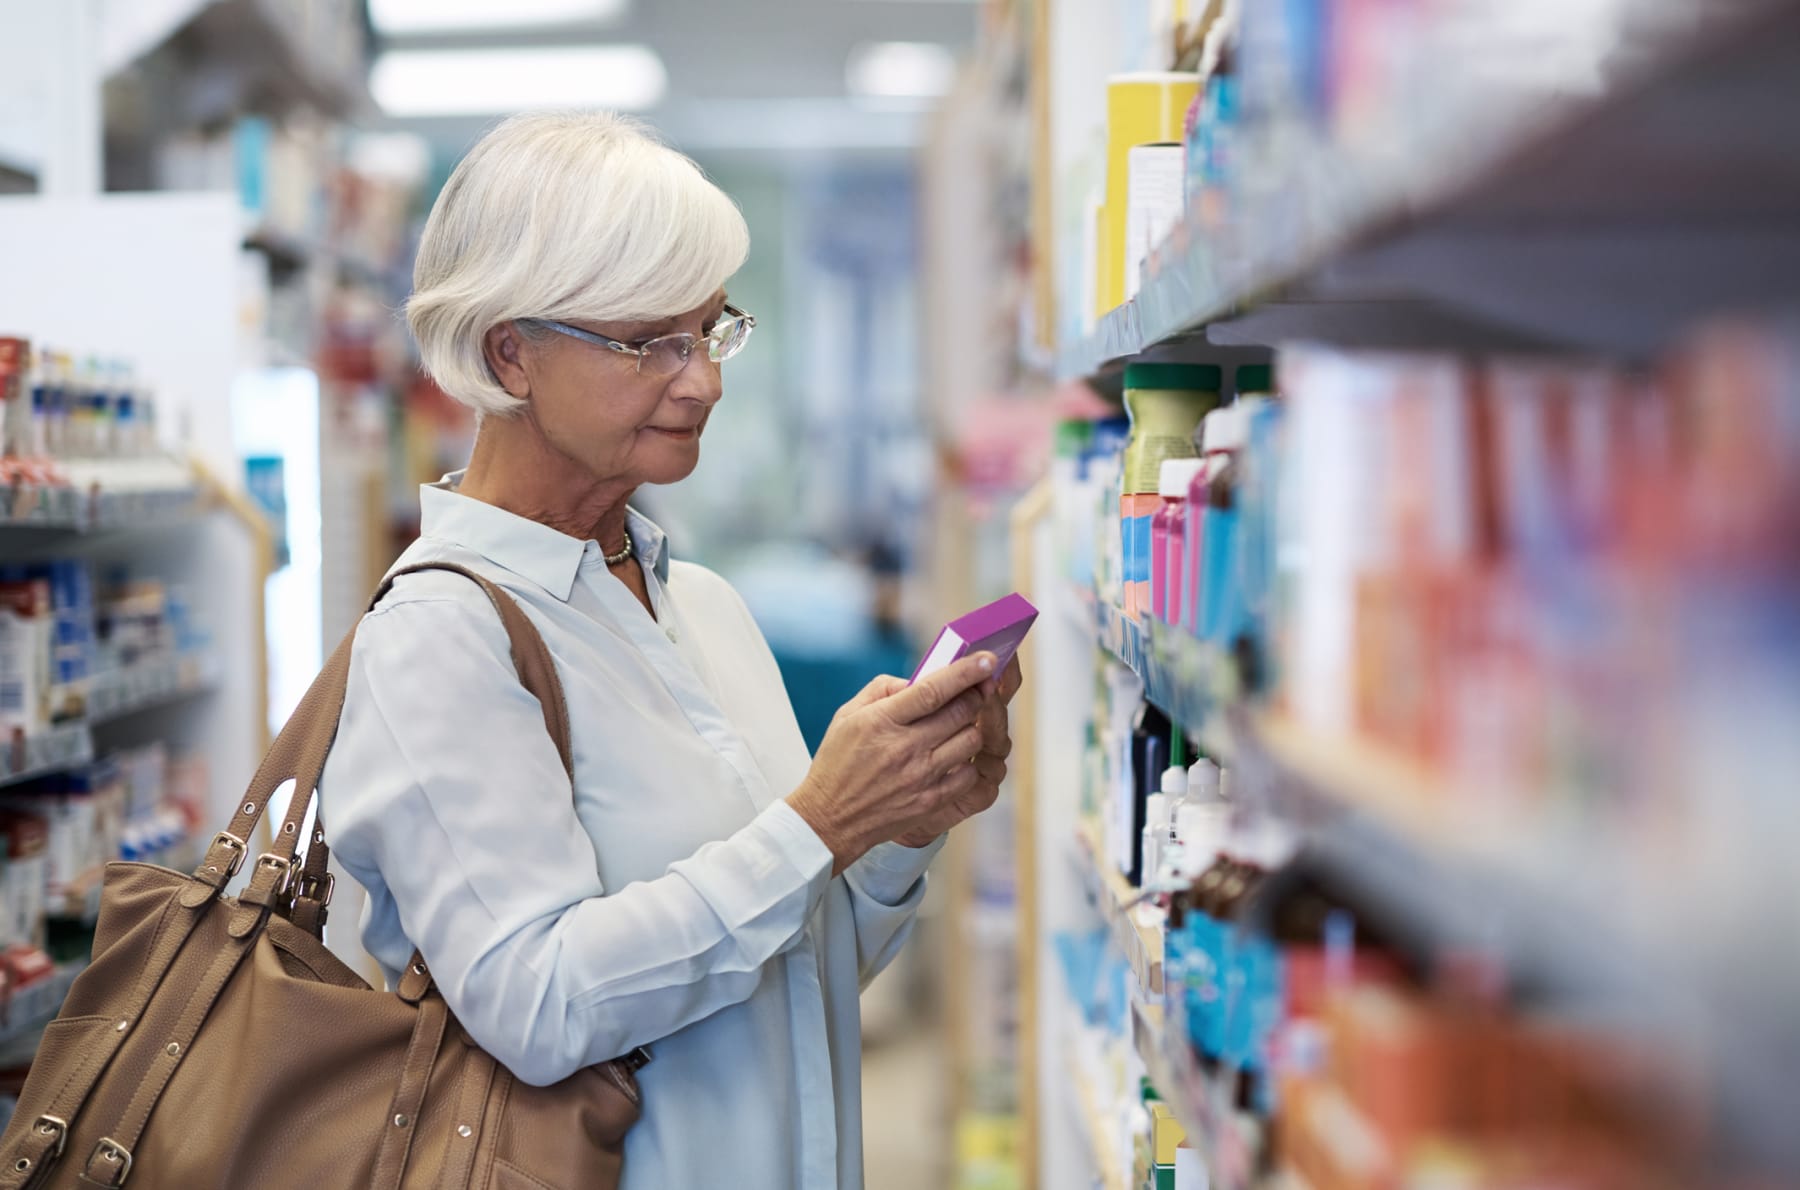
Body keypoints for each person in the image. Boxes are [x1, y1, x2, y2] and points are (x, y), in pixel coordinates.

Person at [318, 110, 1020, 1190]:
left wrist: (893, 825)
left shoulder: (704, 607)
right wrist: (819, 820)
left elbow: (796, 972)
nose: (704, 382)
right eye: (653, 342)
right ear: (512, 350)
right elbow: (539, 1003)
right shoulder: (441, 636)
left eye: (712, 330)